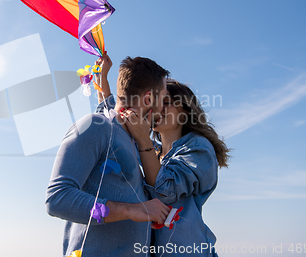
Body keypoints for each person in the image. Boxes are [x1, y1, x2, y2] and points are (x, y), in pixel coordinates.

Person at [95, 54, 231, 257]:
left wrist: (144, 141)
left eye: (166, 102)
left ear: (185, 110)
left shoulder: (199, 148)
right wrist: (103, 80)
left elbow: (164, 190)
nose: (158, 107)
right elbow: (114, 120)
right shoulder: (151, 151)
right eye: (156, 101)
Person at [46, 56, 172, 257]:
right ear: (148, 99)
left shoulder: (135, 141)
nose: (164, 107)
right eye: (163, 99)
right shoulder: (96, 127)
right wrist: (131, 210)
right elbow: (57, 198)